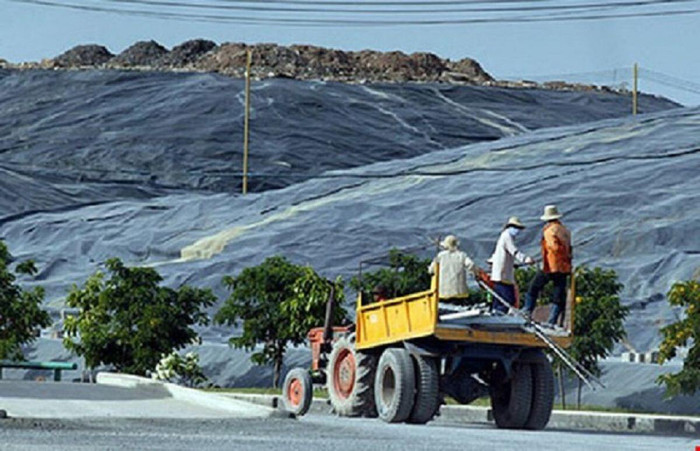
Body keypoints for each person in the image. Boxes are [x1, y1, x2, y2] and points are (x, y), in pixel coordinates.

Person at [523, 205, 572, 325]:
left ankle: (527, 312)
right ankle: (552, 321)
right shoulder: (565, 230)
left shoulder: (549, 230)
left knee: (533, 287)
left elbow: (553, 246)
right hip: (565, 266)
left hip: (550, 265)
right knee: (558, 294)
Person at [490, 217, 535, 313]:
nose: (517, 230)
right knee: (508, 299)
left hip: (502, 274)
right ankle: (499, 317)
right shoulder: (506, 236)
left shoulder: (506, 236)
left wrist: (515, 264)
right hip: (502, 275)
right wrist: (525, 259)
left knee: (499, 300)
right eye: (516, 227)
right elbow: (513, 251)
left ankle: (495, 315)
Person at [428, 235, 477, 301]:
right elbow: (471, 265)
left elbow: (431, 270)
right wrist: (473, 272)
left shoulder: (440, 256)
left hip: (443, 293)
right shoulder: (462, 255)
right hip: (460, 293)